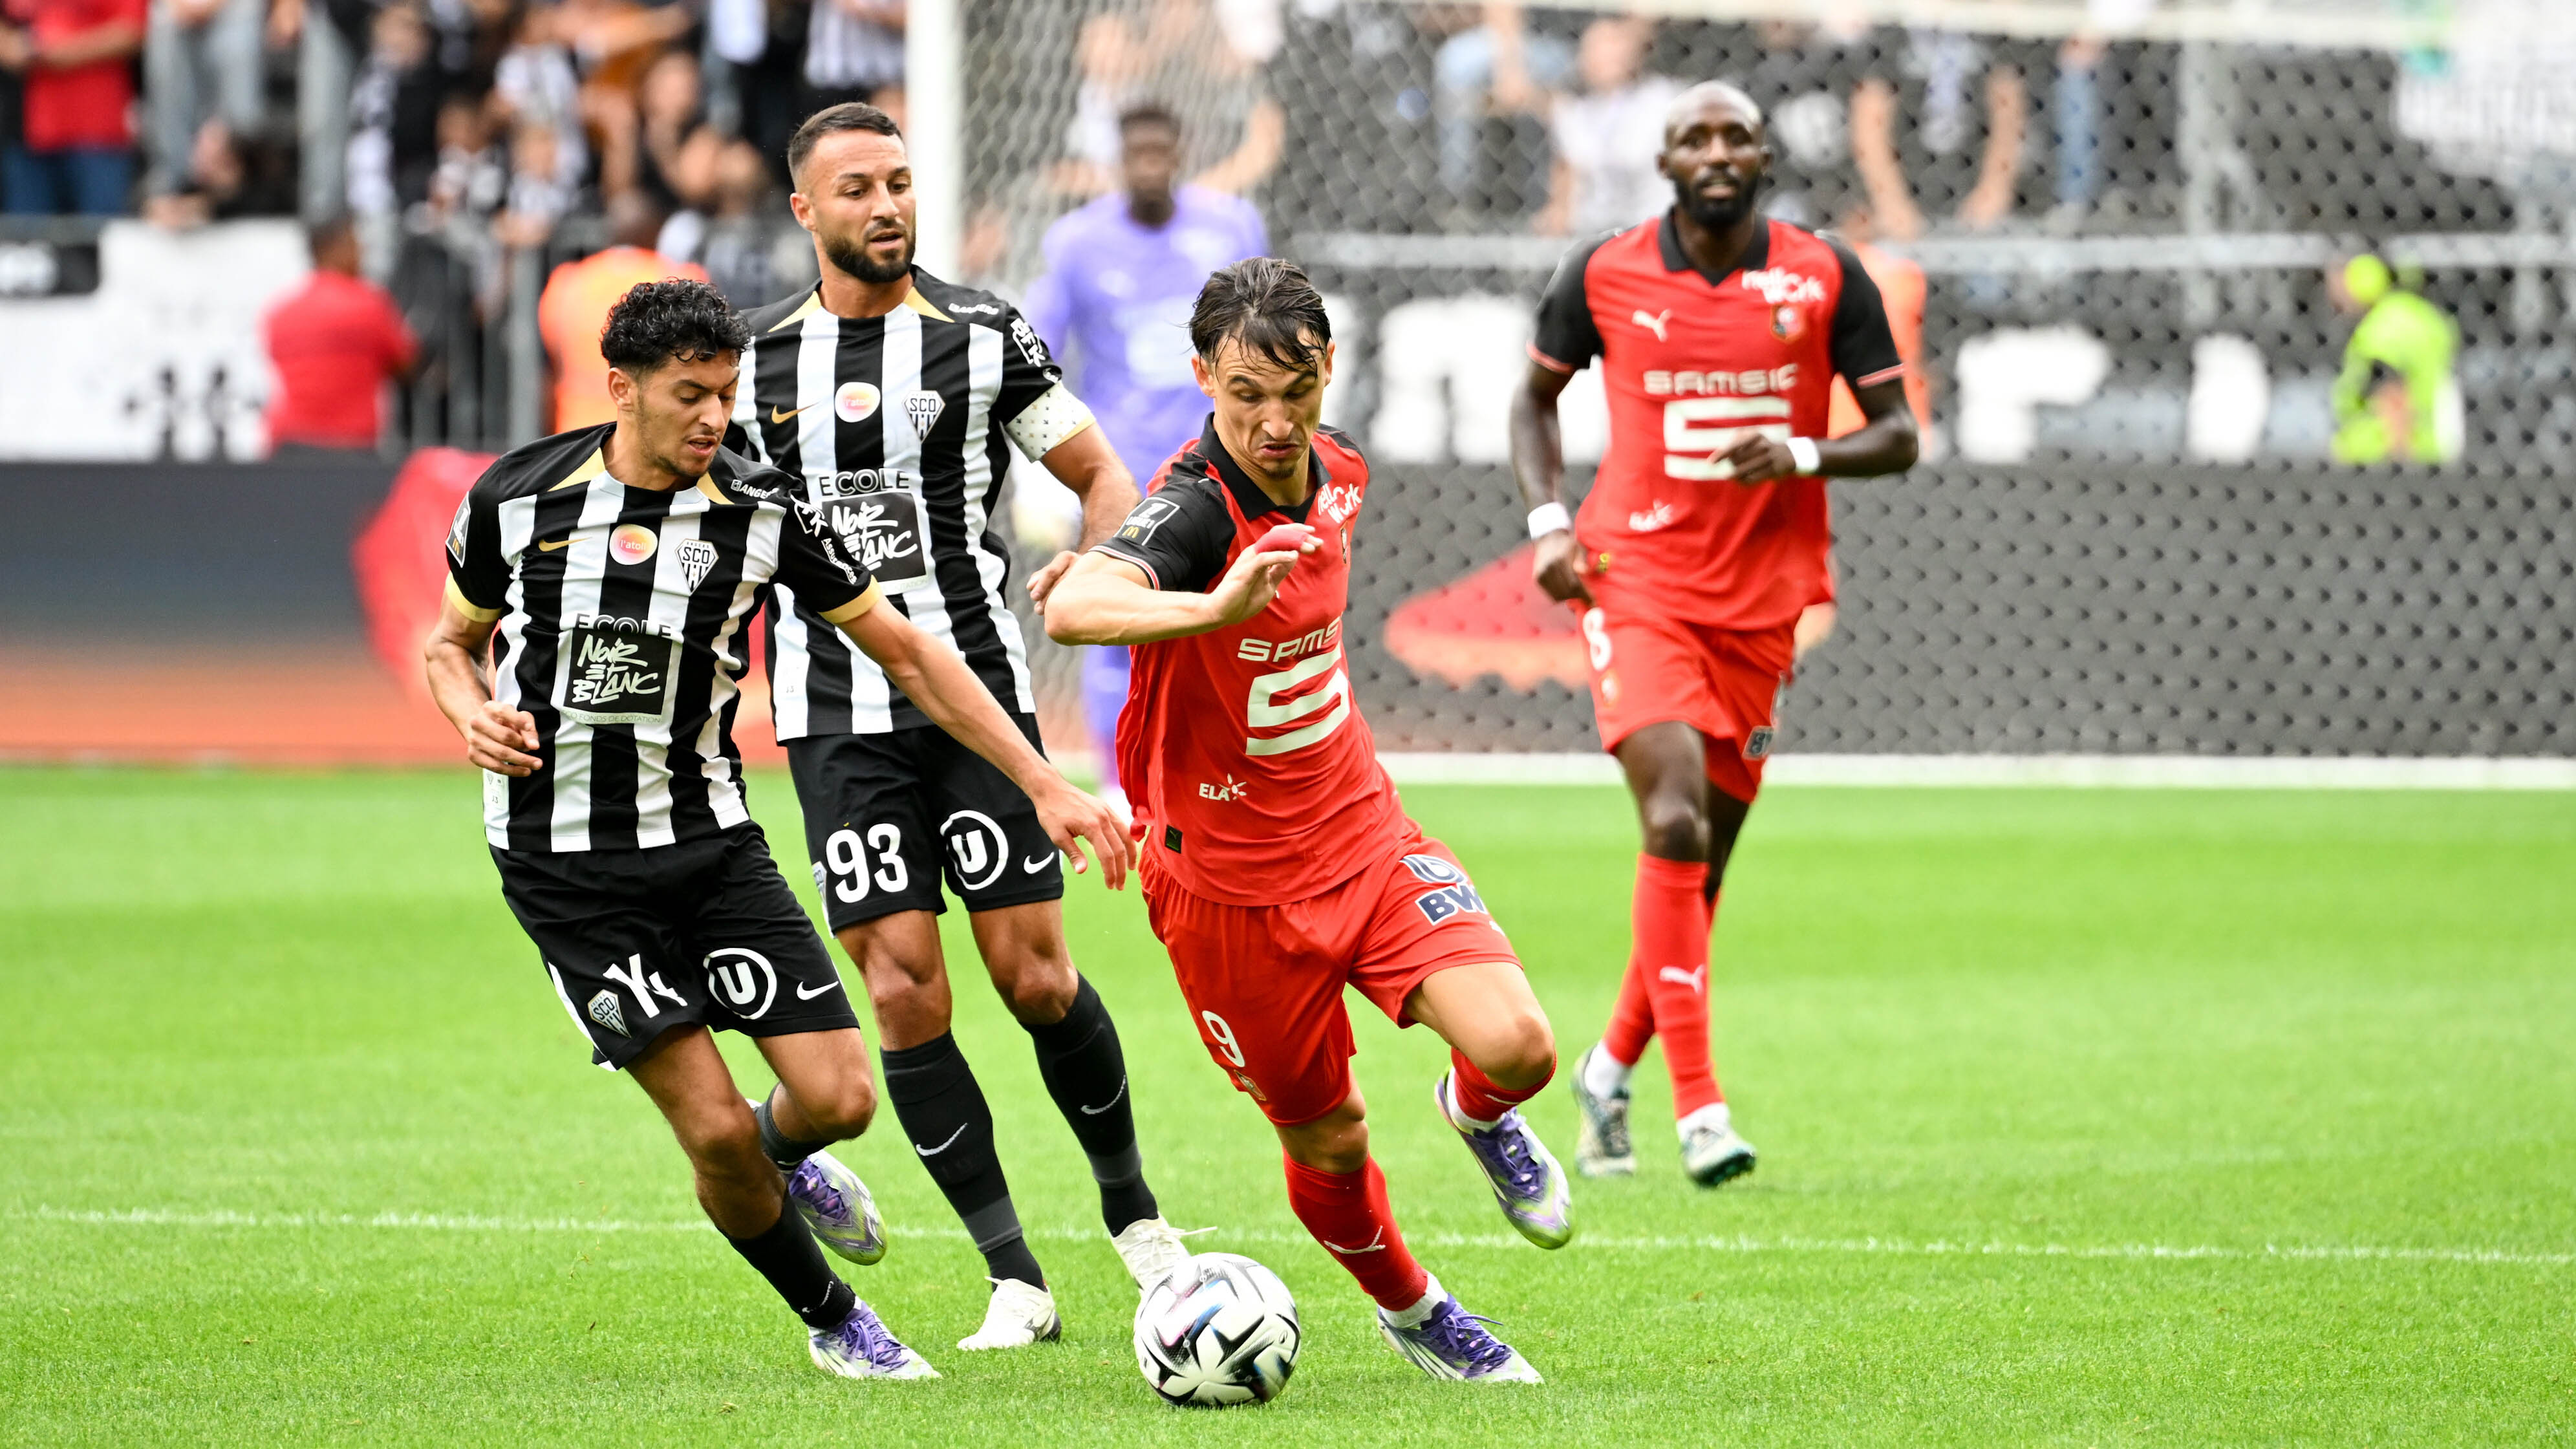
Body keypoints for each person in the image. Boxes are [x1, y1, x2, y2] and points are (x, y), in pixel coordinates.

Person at [424, 277, 1130, 1383]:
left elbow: (909, 654)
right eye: (690, 396)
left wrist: (1041, 781)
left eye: (726, 394)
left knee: (840, 1100)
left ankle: (784, 1165)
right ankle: (836, 1316)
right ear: (622, 389)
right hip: (568, 871)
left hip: (711, 848)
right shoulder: (515, 500)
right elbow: (447, 645)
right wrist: (474, 715)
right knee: (709, 1130)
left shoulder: (757, 512)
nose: (715, 418)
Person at [1038, 258, 1572, 1384]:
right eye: (1243, 396)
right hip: (1230, 894)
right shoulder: (1190, 508)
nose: (1272, 423)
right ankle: (1418, 1311)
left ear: (1327, 371)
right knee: (1327, 1135)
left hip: (1361, 834)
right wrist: (1204, 607)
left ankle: (1476, 1114)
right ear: (1202, 379)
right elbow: (1087, 600)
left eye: (1295, 391)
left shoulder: (1339, 472)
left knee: (1518, 1049)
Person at [722, 102, 1188, 1353]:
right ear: (804, 211)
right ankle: (1013, 1279)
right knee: (903, 992)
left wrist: (1096, 574)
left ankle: (1139, 1226)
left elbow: (1101, 475)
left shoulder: (984, 337)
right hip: (837, 723)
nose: (886, 206)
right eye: (857, 188)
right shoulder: (755, 369)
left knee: (1033, 972)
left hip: (980, 706)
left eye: (900, 183)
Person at [1509, 83, 1918, 1185]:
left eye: (1734, 133)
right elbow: (1532, 402)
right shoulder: (1602, 270)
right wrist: (1547, 522)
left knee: (1701, 866)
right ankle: (1698, 1110)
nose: (1716, 150)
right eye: (1694, 136)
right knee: (1675, 813)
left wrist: (1800, 454)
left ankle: (1606, 1069)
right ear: (1663, 160)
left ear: (1764, 153)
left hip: (1761, 601)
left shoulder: (1821, 273)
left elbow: (1897, 436)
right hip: (1632, 577)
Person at [1025, 102, 1269, 811]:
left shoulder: (1231, 228)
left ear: (1181, 151)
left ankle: (1230, 777)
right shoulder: (1076, 244)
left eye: (1162, 151)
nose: (1150, 165)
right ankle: (1122, 784)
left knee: (1238, 618)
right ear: (1118, 158)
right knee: (1114, 628)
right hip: (1123, 477)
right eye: (1138, 153)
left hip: (1222, 465)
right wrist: (1041, 469)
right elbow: (1037, 356)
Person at [536, 193, 708, 430]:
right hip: (650, 434)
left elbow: (549, 368)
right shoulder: (681, 281)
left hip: (578, 435)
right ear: (656, 235)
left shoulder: (567, 282)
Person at [261, 214, 418, 455]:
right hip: (353, 444)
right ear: (336, 249)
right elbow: (406, 362)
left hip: (289, 442)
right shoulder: (369, 304)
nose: (362, 253)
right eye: (355, 245)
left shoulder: (280, 312)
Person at [1535, 16, 1679, 238]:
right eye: (1596, 46)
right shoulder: (1572, 111)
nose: (1606, 55)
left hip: (1653, 227)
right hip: (1595, 232)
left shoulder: (1663, 101)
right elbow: (1566, 177)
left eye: (1614, 44)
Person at [0, 0, 147, 215]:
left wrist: (58, 51)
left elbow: (133, 28)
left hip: (99, 133)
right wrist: (12, 47)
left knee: (99, 237)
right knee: (27, 242)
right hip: (26, 129)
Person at [2329, 253, 2462, 466]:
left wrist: (2400, 460)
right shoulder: (2427, 316)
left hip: (2379, 458)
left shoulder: (2382, 326)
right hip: (2432, 448)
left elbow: (2393, 394)